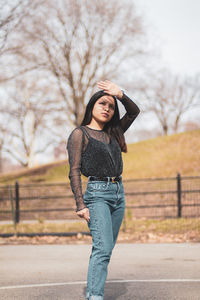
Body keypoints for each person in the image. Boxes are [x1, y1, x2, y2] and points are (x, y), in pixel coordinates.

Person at [66, 80, 140, 300]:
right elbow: (74, 171)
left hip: (119, 193)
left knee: (105, 249)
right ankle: (95, 296)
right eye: (102, 103)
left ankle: (94, 293)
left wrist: (121, 95)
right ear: (92, 106)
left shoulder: (115, 132)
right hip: (97, 194)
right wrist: (80, 204)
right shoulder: (80, 134)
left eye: (111, 106)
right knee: (103, 248)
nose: (107, 108)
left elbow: (134, 111)